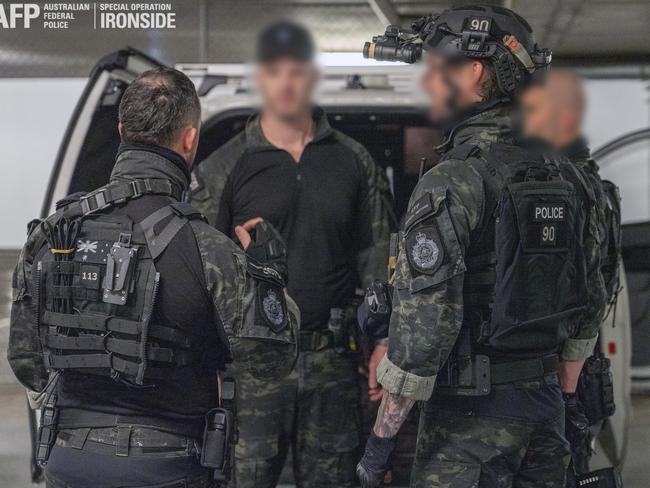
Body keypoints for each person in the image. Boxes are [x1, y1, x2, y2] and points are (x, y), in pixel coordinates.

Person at [7, 67, 298, 488]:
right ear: (190, 139)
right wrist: (268, 275)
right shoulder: (208, 248)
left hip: (70, 460)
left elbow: (25, 359)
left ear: (122, 129)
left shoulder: (53, 234)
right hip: (169, 466)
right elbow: (272, 360)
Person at [356, 5, 607, 488]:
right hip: (546, 416)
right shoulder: (571, 175)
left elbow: (424, 334)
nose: (427, 83)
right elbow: (590, 302)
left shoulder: (455, 180)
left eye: (434, 70)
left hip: (467, 428)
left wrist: (379, 446)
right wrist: (566, 404)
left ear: (473, 73)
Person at [189, 20, 394, 488]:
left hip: (333, 362)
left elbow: (377, 251)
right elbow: (201, 265)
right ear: (261, 78)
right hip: (253, 365)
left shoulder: (352, 160)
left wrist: (384, 339)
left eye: (296, 70)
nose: (286, 82)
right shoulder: (226, 165)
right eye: (274, 70)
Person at [520, 69, 622, 485]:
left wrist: (567, 379)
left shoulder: (571, 184)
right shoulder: (593, 183)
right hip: (576, 364)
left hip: (564, 367)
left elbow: (592, 291)